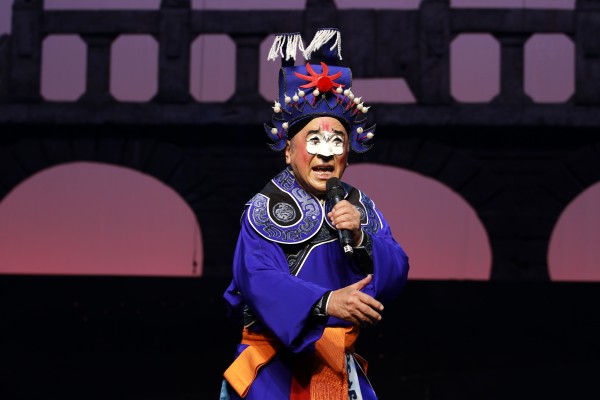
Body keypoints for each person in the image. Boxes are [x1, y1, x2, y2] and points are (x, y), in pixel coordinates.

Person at [220, 28, 409, 400]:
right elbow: (258, 279)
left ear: (348, 154)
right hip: (276, 371)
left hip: (338, 368)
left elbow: (397, 270)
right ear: (288, 152)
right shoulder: (266, 209)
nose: (325, 153)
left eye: (336, 141)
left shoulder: (359, 206)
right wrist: (325, 302)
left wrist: (361, 238)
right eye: (314, 141)